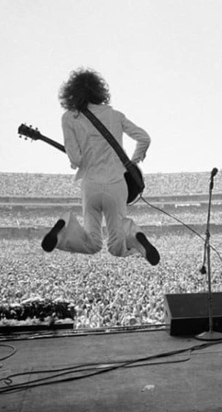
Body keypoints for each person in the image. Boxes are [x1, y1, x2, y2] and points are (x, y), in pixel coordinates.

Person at [41, 68, 160, 265]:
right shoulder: (115, 115)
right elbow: (144, 138)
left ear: (71, 92)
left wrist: (76, 159)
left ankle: (64, 229)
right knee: (117, 245)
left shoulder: (69, 118)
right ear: (99, 90)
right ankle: (134, 235)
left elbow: (76, 160)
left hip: (91, 185)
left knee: (93, 243)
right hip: (116, 184)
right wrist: (133, 161)